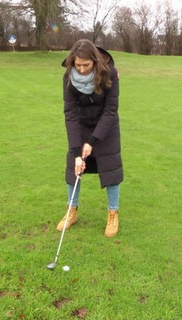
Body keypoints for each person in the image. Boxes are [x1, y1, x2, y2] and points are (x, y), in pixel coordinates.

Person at [57, 39, 123, 238]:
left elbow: (111, 110)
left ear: (95, 61)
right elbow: (70, 114)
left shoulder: (109, 73)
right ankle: (72, 211)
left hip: (106, 128)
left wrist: (93, 141)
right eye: (78, 65)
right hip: (81, 126)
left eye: (86, 65)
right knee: (74, 168)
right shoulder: (68, 77)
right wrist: (78, 151)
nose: (82, 69)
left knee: (110, 170)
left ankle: (113, 213)